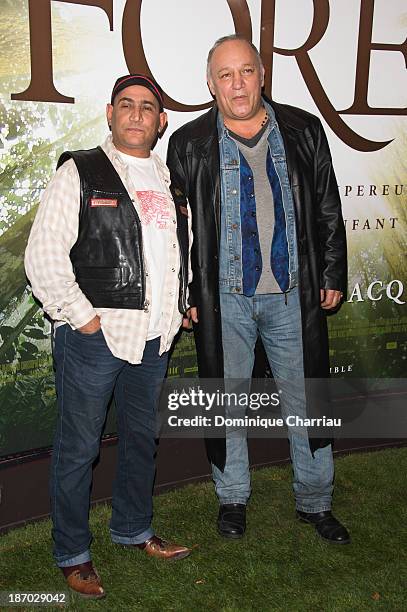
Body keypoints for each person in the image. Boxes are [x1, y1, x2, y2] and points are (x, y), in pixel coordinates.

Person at [167, 35, 349, 544]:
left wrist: (332, 272)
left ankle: (315, 502)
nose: (237, 83)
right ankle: (233, 498)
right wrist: (187, 290)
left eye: (245, 71)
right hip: (225, 300)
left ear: (261, 74)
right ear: (210, 84)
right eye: (225, 75)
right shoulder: (188, 143)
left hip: (293, 294)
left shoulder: (303, 129)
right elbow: (179, 232)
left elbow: (328, 207)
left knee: (308, 399)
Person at [25, 74, 192, 599]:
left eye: (148, 107)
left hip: (154, 338)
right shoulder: (79, 171)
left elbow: (168, 255)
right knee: (79, 448)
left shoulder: (170, 180)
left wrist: (181, 300)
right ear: (109, 113)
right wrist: (83, 317)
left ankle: (133, 529)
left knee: (141, 441)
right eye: (128, 105)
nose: (138, 115)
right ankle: (73, 552)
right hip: (94, 337)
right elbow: (44, 256)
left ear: (161, 121)